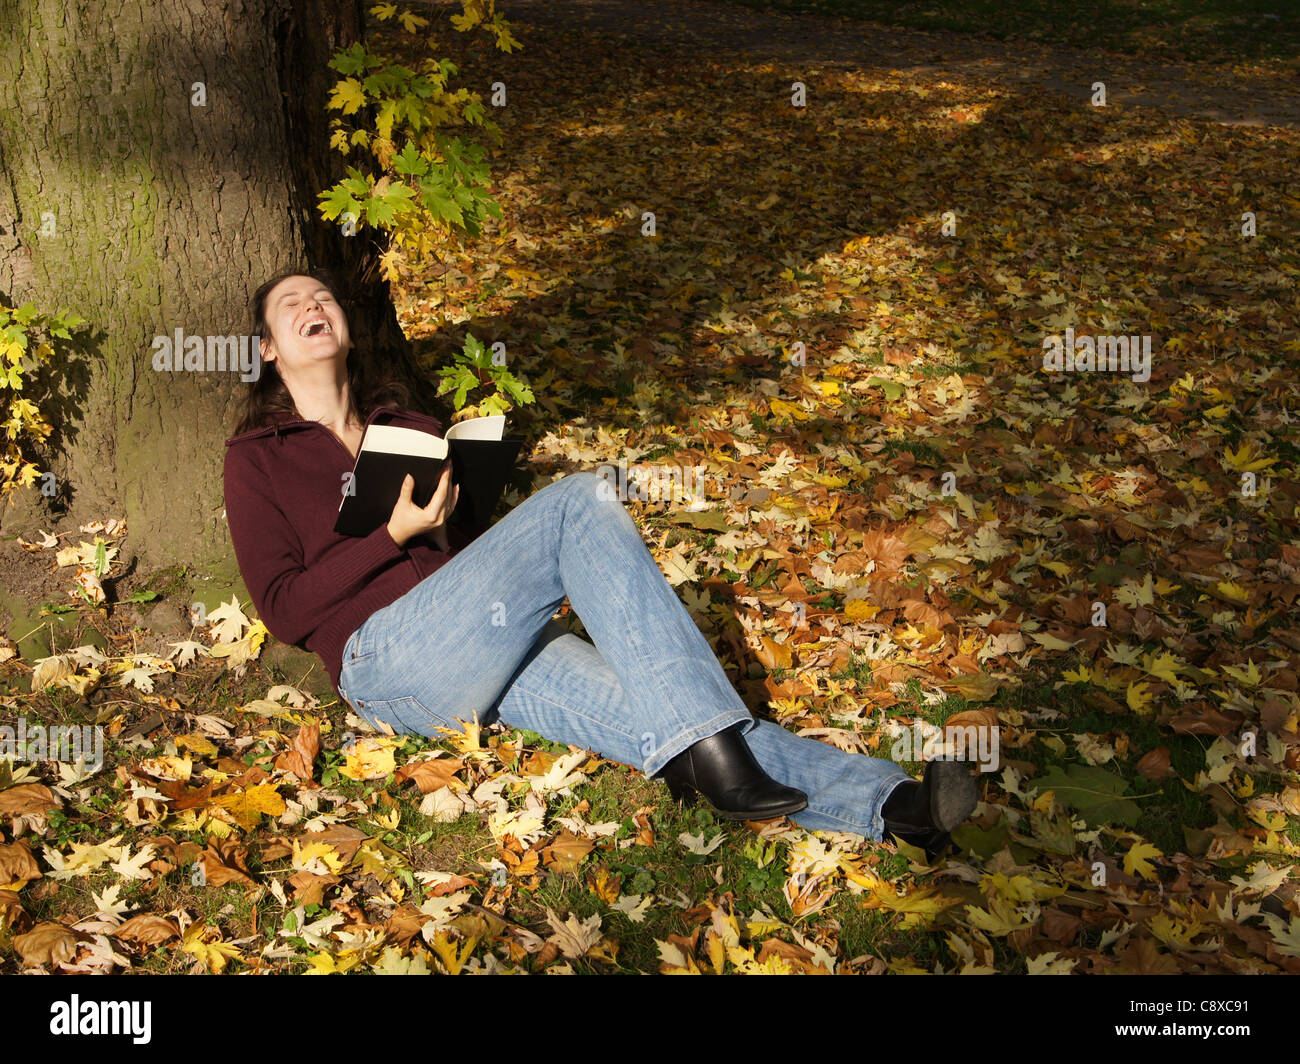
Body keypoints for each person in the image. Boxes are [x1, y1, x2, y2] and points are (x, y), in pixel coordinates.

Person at [222, 270, 978, 860]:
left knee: (656, 705)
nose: (312, 303)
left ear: (349, 328)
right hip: (385, 667)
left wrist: (461, 512)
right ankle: (712, 758)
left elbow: (469, 559)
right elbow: (284, 610)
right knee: (583, 498)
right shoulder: (257, 459)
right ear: (266, 348)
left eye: (323, 295)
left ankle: (894, 806)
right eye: (291, 303)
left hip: (481, 648)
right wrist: (388, 536)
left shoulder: (412, 425)